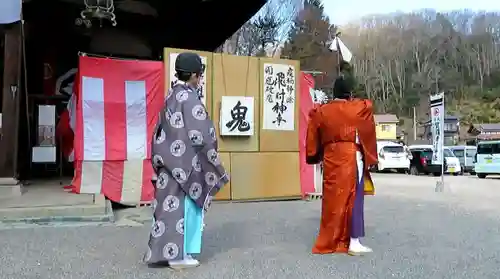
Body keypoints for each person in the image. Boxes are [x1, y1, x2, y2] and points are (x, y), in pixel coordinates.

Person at [144, 52, 229, 269]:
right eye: (199, 74)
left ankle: (166, 253)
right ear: (193, 75)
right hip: (185, 166)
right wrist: (211, 153)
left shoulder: (171, 95)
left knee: (167, 209)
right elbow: (202, 133)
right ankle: (179, 256)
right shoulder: (189, 98)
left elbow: (162, 131)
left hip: (169, 163)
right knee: (185, 210)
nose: (199, 78)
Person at [306, 73, 378, 256]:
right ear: (349, 93)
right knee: (354, 198)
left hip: (331, 157)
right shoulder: (357, 108)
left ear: (333, 92)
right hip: (350, 156)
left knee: (332, 199)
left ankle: (330, 239)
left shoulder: (321, 111)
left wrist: (315, 155)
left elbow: (313, 132)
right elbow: (368, 106)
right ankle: (353, 242)